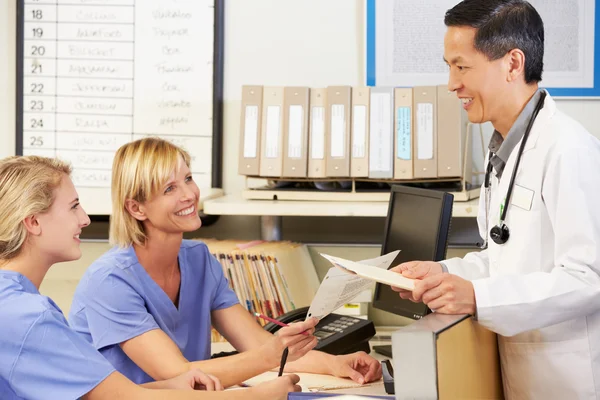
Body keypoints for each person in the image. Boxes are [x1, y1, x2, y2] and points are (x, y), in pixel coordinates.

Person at [390, 0, 600, 398]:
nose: (452, 83)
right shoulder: (503, 149)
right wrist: (445, 274)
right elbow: (502, 256)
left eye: (462, 66)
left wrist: (476, 296)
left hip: (567, 381)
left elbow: (588, 278)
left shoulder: (568, 149)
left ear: (512, 63)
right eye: (449, 66)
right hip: (520, 371)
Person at [68, 137, 382, 388]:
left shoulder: (199, 260)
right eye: (169, 188)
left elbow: (257, 343)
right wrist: (269, 355)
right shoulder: (109, 282)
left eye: (188, 178)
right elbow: (177, 376)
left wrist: (335, 363)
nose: (189, 194)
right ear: (137, 208)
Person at [0, 155, 301, 400]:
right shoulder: (29, 316)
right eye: (74, 207)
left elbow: (103, 394)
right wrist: (258, 397)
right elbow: (122, 399)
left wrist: (172, 386)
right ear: (34, 222)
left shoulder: (16, 304)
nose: (85, 219)